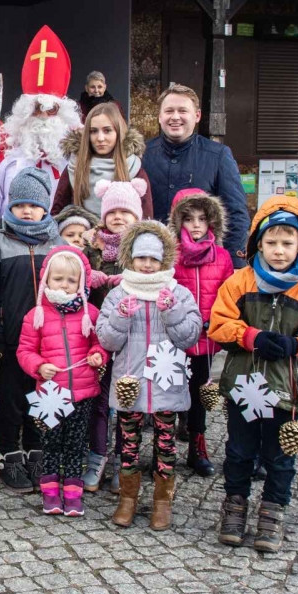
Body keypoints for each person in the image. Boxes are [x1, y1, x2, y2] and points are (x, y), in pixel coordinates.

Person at [208, 197, 298, 552]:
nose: (279, 250)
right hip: (245, 386)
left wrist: (297, 344)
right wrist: (249, 337)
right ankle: (234, 506)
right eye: (271, 242)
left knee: (280, 455)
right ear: (258, 243)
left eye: (287, 243)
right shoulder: (240, 283)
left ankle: (272, 511)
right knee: (239, 450)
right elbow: (219, 325)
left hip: (288, 391)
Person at [95, 221, 201, 530]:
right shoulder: (118, 294)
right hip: (130, 381)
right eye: (141, 257)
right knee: (128, 443)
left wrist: (173, 312)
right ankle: (128, 498)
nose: (146, 264)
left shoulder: (178, 293)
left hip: (166, 382)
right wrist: (120, 317)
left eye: (153, 259)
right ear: (130, 258)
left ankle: (162, 501)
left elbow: (190, 336)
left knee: (166, 443)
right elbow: (107, 340)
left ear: (164, 260)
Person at [0, 167, 61, 493]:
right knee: (11, 400)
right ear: (10, 206)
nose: (26, 211)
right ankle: (8, 453)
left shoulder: (57, 244)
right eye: (20, 204)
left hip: (47, 340)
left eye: (34, 205)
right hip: (11, 338)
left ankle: (35, 452)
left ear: (45, 208)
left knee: (40, 397)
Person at [16, 246, 107, 517]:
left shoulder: (91, 313)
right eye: (58, 279)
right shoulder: (36, 315)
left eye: (71, 280)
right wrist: (38, 366)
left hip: (83, 392)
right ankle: (50, 491)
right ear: (47, 279)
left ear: (81, 282)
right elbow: (25, 350)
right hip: (50, 394)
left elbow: (100, 343)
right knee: (51, 443)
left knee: (76, 445)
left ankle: (73, 492)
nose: (64, 285)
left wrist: (97, 356)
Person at [142, 84, 251, 269]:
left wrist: (234, 263)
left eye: (183, 111)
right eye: (169, 111)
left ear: (197, 115)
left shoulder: (218, 156)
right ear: (159, 116)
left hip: (202, 265)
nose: (175, 117)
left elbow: (236, 213)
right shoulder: (142, 155)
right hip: (151, 262)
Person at [82, 178, 145, 493]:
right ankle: (97, 455)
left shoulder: (143, 251)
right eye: (112, 211)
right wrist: (87, 279)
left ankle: (124, 458)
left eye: (125, 212)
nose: (118, 217)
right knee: (99, 400)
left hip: (132, 339)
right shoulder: (92, 248)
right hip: (98, 338)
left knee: (127, 401)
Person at [167, 188, 235, 478]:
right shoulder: (171, 255)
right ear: (178, 221)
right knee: (170, 391)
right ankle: (164, 445)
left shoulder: (222, 256)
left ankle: (198, 446)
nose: (196, 225)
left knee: (200, 392)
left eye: (202, 219)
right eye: (189, 218)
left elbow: (228, 294)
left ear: (211, 222)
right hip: (175, 338)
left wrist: (216, 320)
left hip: (206, 339)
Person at [0, 27, 83, 218]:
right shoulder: (8, 160)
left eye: (51, 110)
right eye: (36, 108)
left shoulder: (76, 160)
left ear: (62, 114)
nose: (43, 115)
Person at [51, 101, 152, 218]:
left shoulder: (134, 168)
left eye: (107, 130)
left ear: (119, 132)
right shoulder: (74, 167)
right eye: (93, 131)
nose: (100, 138)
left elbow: (146, 219)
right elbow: (56, 215)